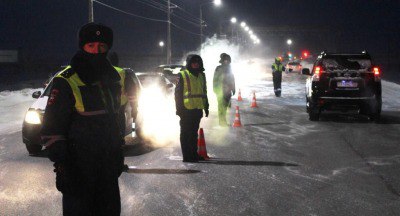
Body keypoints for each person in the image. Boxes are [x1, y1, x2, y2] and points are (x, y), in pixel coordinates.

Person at [40, 22, 138, 215]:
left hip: (108, 164)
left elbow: (116, 117)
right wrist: (62, 164)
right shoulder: (66, 80)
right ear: (82, 47)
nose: (96, 51)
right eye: (91, 46)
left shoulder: (113, 78)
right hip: (78, 167)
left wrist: (118, 151)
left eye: (101, 47)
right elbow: (52, 127)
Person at [175, 54, 209, 162]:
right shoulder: (182, 74)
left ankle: (193, 154)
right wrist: (179, 109)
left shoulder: (202, 75)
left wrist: (206, 106)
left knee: (194, 134)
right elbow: (178, 94)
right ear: (189, 63)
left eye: (197, 62)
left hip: (197, 109)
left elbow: (204, 92)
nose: (195, 64)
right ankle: (187, 156)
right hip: (186, 110)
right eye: (193, 62)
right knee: (186, 133)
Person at [213, 53, 235, 126]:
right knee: (221, 106)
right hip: (220, 91)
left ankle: (223, 121)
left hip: (228, 91)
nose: (226, 62)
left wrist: (233, 88)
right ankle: (222, 122)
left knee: (225, 106)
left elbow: (232, 79)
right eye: (225, 60)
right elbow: (215, 80)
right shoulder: (218, 68)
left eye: (227, 61)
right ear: (222, 61)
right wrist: (215, 89)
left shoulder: (230, 68)